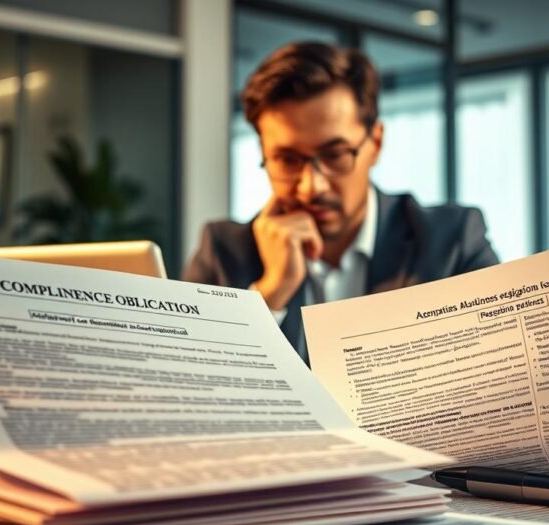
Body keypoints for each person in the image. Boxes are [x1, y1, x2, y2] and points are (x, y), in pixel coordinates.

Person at [183, 42, 499, 357]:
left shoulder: (452, 242)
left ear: (374, 143)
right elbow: (191, 391)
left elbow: (501, 370)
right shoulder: (223, 253)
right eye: (287, 160)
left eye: (334, 155)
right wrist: (270, 294)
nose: (311, 186)